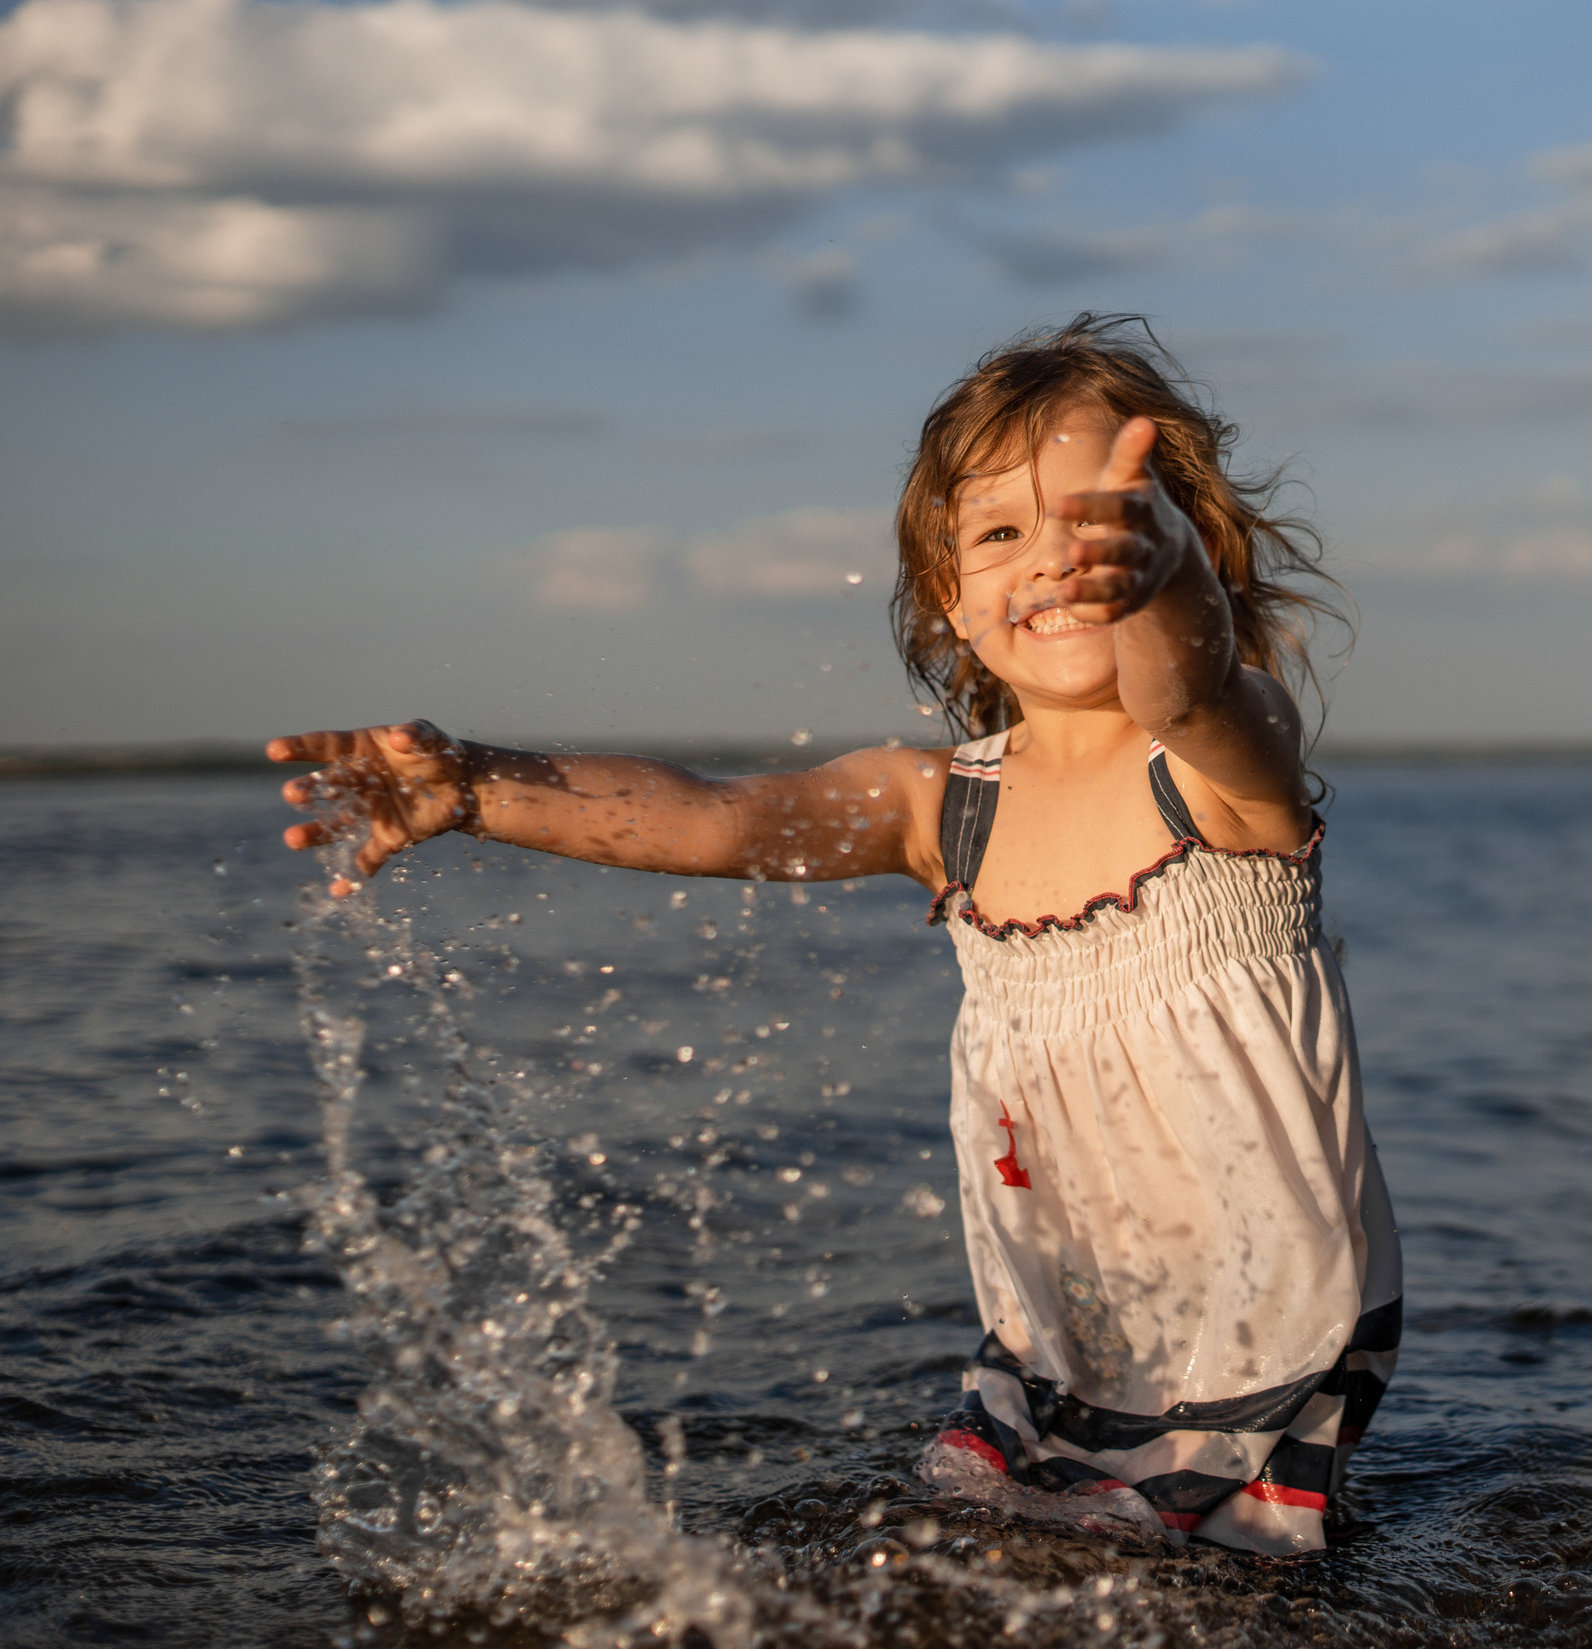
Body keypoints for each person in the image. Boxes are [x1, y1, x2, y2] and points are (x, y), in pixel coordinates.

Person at [269, 314, 1402, 1556]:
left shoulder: (1224, 771)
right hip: (1059, 1337)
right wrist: (475, 787)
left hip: (1261, 1320)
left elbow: (1190, 680)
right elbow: (716, 818)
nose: (1057, 560)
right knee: (996, 1565)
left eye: (1098, 518)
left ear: (1192, 542)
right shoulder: (943, 805)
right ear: (949, 600)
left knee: (1221, 1616)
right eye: (1003, 533)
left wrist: (1164, 579)